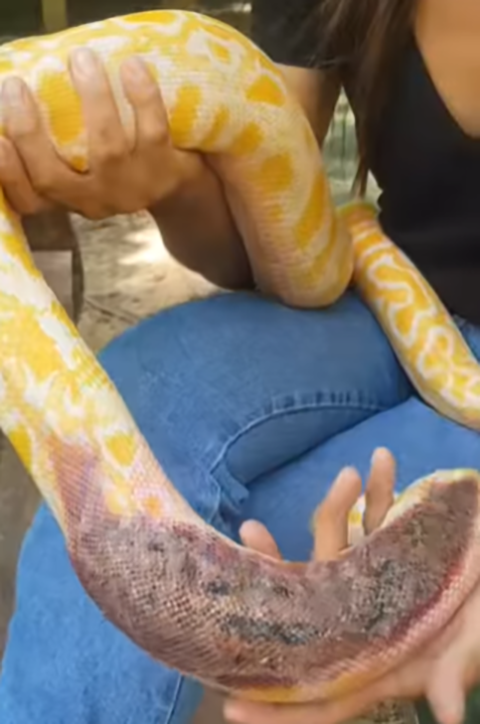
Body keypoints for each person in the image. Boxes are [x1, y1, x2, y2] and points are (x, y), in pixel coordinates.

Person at [1, 0, 480, 723]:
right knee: (140, 411)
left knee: (203, 565)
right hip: (384, 292)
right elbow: (274, 253)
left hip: (410, 327)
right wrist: (173, 188)